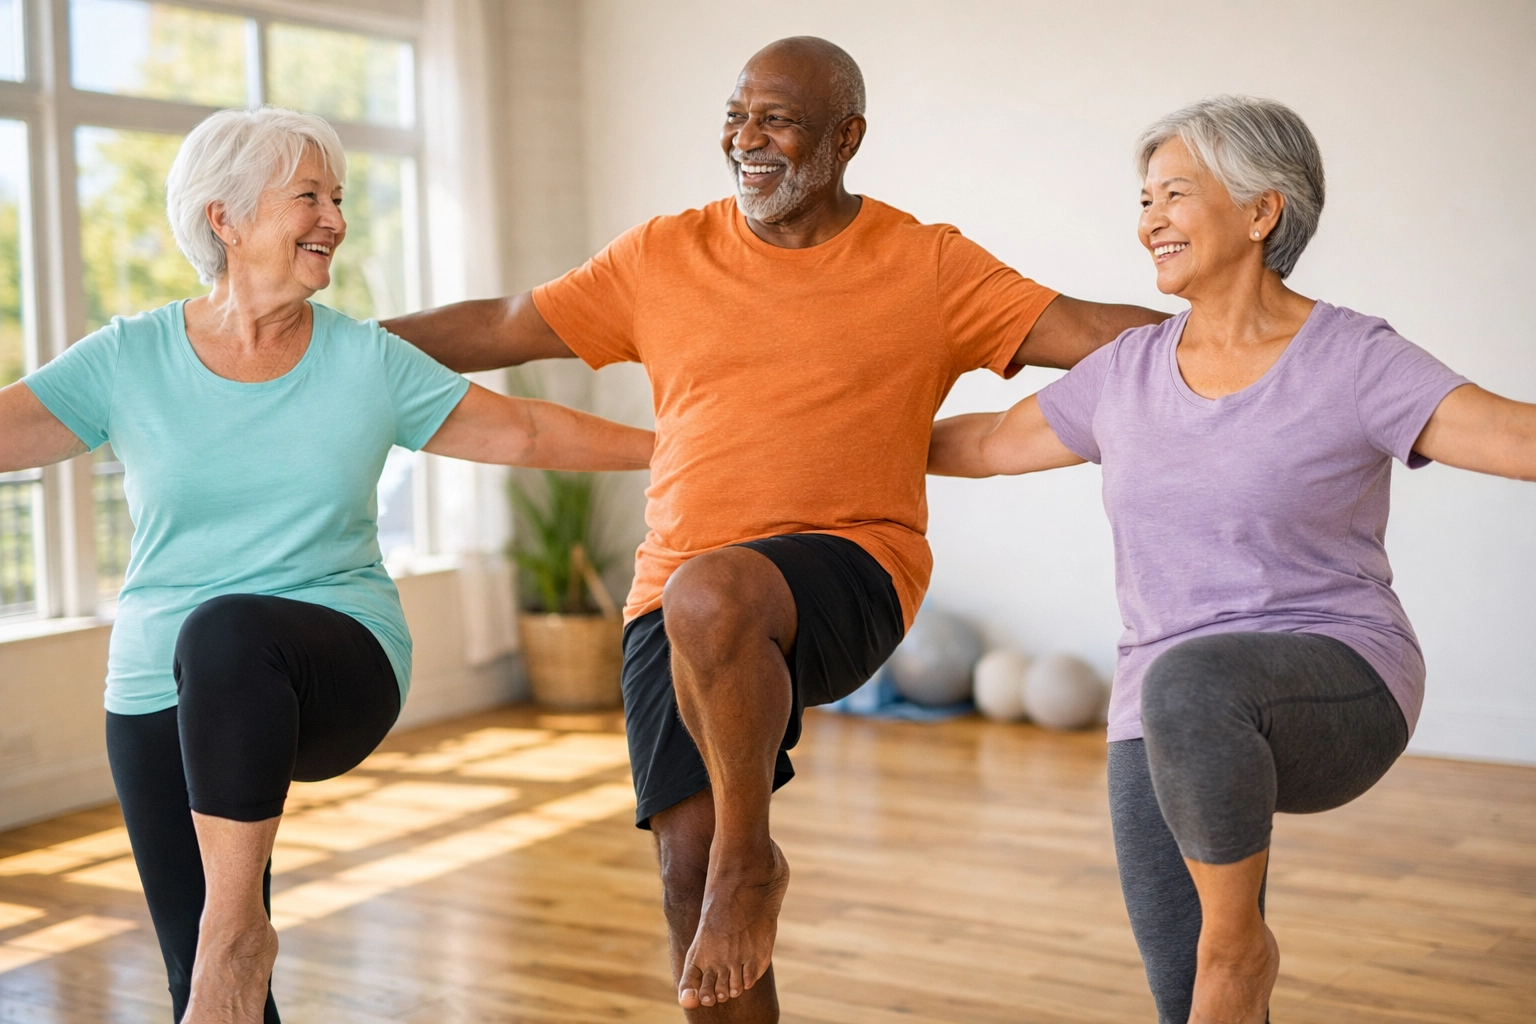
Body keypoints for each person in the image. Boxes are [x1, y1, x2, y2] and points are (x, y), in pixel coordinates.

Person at [382, 35, 1165, 1020]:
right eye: (737, 114)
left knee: (714, 611)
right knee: (683, 870)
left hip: (852, 569)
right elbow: (503, 323)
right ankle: (729, 870)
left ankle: (753, 865)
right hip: (676, 599)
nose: (747, 139)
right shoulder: (665, 253)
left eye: (778, 120)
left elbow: (1088, 332)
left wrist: (1244, 332)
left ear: (846, 138)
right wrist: (344, 345)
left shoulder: (926, 264)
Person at [0, 107, 653, 1024]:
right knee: (209, 998)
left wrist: (683, 449)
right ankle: (226, 952)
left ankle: (238, 927)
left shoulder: (365, 361)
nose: (336, 218)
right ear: (223, 217)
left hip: (335, 660)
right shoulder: (129, 358)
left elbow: (530, 428)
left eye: (338, 197)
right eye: (308, 195)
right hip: (159, 684)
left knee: (225, 633)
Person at [927, 94, 1536, 1024]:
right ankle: (1225, 956)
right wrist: (806, 437)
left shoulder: (1352, 357)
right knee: (1190, 1005)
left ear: (1262, 212)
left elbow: (1511, 436)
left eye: (1175, 193)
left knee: (1195, 707)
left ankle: (1239, 941)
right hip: (1161, 707)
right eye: (1143, 200)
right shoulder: (1126, 370)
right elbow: (980, 446)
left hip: (1339, 675)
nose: (1150, 221)